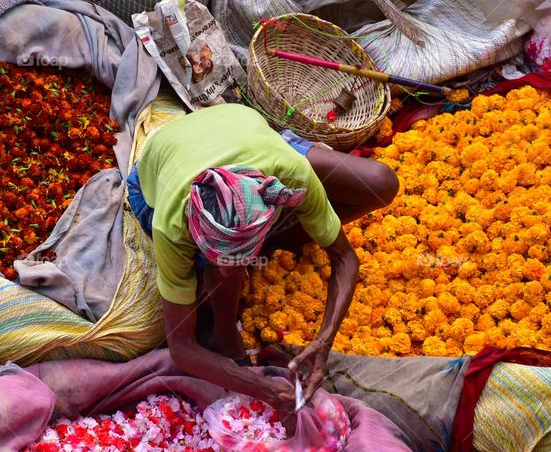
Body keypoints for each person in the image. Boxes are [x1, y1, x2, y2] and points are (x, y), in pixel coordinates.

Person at [127, 103, 398, 413]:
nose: (233, 275)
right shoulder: (172, 223)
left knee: (380, 182)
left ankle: (259, 249)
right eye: (221, 258)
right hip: (166, 162)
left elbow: (345, 258)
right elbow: (181, 347)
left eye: (240, 257)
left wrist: (324, 342)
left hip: (251, 140)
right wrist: (262, 388)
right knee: (221, 278)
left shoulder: (292, 175)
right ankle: (225, 336)